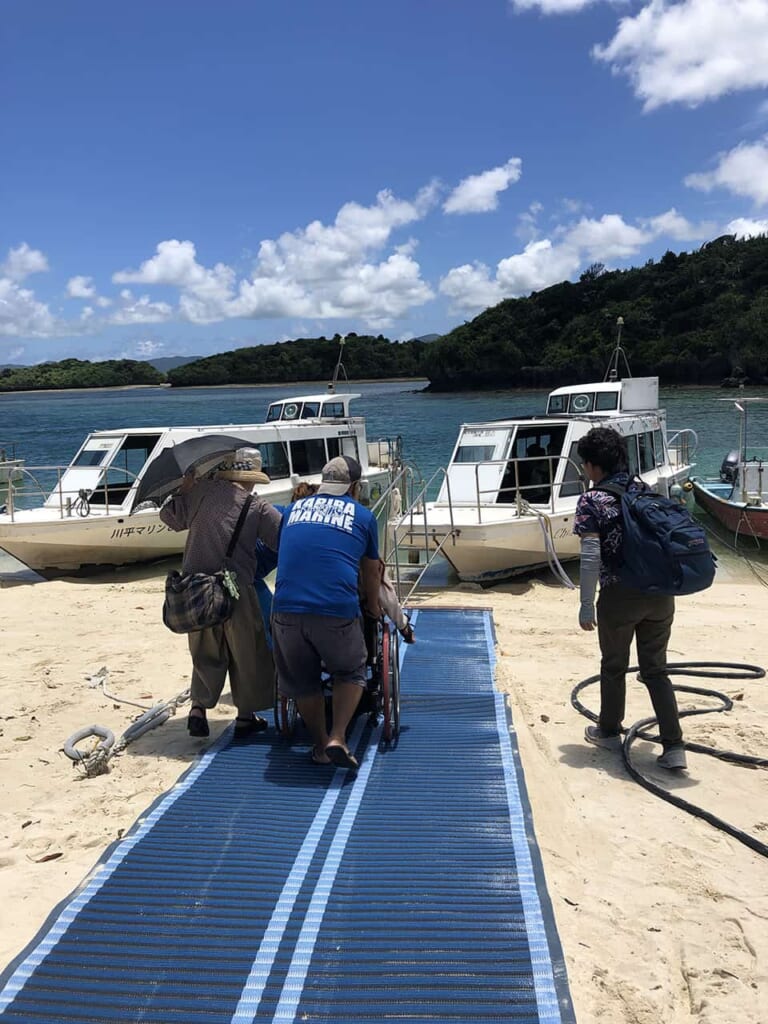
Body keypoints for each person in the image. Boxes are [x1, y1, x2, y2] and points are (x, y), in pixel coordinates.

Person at [573, 426, 687, 770]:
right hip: (661, 595)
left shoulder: (592, 500)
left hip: (620, 596)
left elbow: (591, 555)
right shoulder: (643, 489)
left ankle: (608, 731)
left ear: (593, 466)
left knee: (613, 666)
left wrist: (584, 603)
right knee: (656, 670)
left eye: (585, 464)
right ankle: (674, 747)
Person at [160, 447, 281, 739]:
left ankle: (198, 709)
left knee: (205, 652)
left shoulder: (202, 492)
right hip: (236, 589)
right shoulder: (257, 507)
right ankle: (245, 716)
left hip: (197, 588)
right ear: (253, 477)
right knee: (247, 653)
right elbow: (282, 540)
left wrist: (184, 489)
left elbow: (170, 518)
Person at [270, 455, 382, 770]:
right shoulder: (363, 516)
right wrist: (372, 608)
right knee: (350, 671)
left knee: (303, 681)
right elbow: (371, 572)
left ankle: (318, 745)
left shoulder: (291, 511)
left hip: (286, 609)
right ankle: (337, 736)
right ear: (355, 486)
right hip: (334, 610)